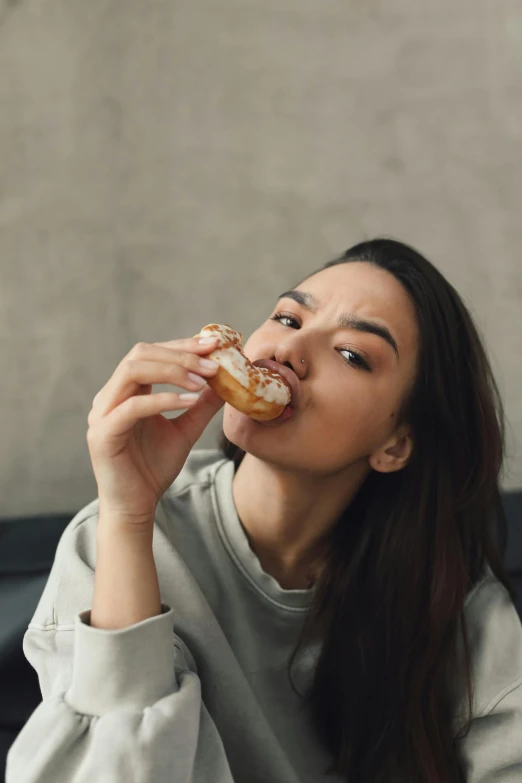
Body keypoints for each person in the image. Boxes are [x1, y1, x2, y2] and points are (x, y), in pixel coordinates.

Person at [6, 238, 522, 783]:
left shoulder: (446, 592)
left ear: (395, 444)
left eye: (351, 353)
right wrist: (129, 516)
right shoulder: (116, 538)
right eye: (288, 317)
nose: (286, 351)